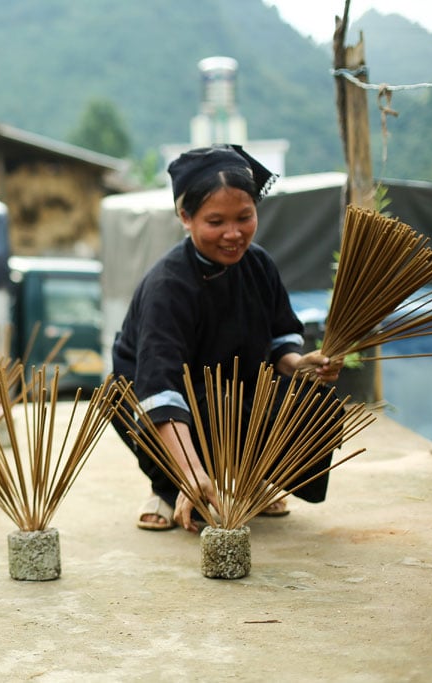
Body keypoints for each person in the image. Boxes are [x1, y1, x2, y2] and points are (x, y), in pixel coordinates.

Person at [110, 144, 343, 532]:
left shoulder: (259, 264)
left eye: (244, 217)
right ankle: (169, 487)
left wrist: (297, 364)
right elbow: (159, 388)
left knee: (314, 400)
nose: (233, 234)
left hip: (235, 397)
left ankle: (249, 479)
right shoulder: (168, 286)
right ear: (186, 217)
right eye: (216, 221)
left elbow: (279, 337)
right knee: (203, 405)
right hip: (168, 404)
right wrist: (190, 472)